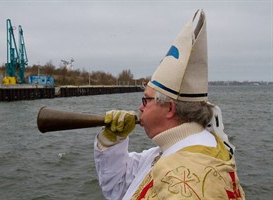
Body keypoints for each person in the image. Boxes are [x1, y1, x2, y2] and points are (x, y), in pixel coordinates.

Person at [94, 9, 245, 200]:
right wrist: (112, 140)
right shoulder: (176, 149)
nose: (140, 108)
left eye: (146, 100)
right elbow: (122, 186)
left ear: (170, 109)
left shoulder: (189, 179)